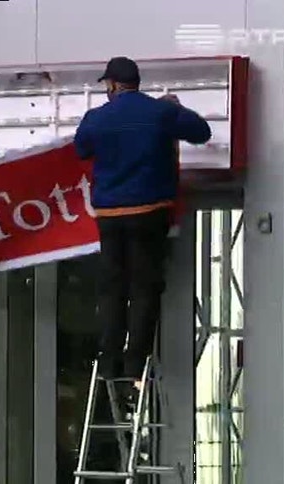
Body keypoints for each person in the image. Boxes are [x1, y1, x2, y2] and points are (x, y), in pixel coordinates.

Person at [73, 57, 212, 388]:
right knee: (144, 287)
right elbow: (201, 132)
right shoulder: (161, 112)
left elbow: (81, 149)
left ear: (112, 85)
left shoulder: (97, 117)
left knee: (112, 288)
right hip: (150, 212)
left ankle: (109, 363)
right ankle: (136, 364)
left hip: (110, 215)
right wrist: (175, 108)